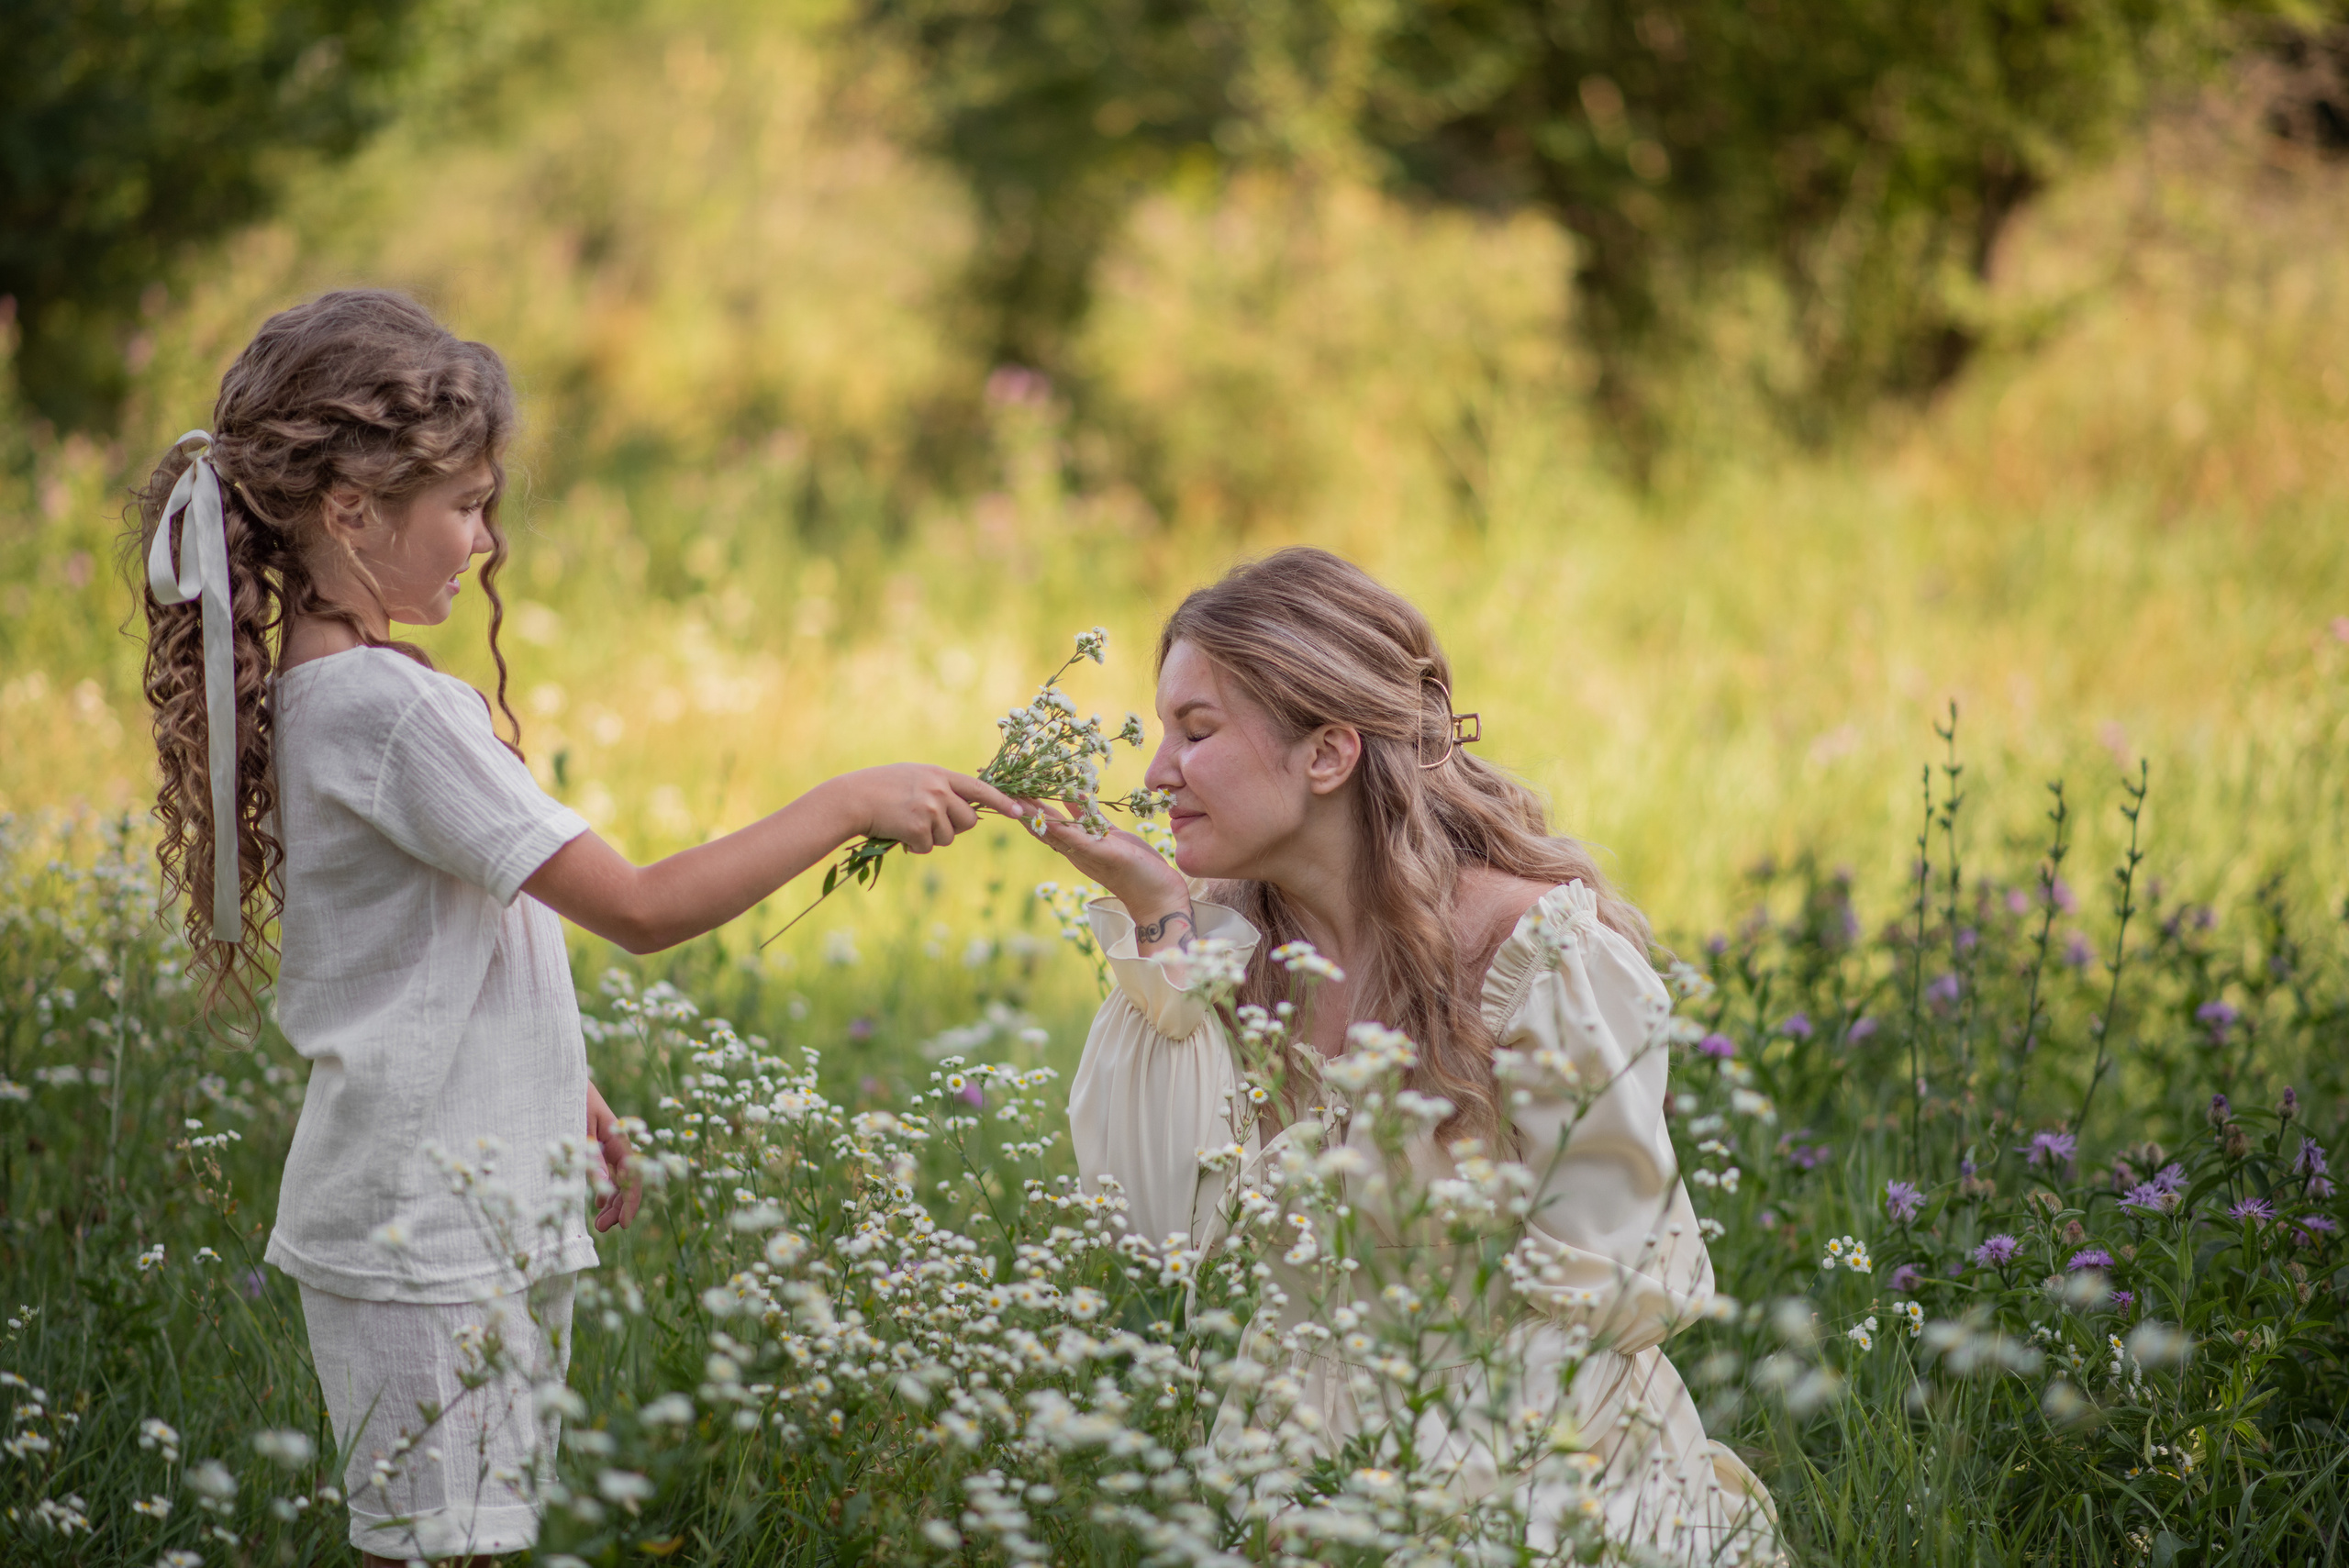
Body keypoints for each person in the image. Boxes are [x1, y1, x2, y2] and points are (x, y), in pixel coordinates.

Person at [131, 289, 1022, 1565]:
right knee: (447, 1550)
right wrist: (844, 801)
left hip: (452, 1192)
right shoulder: (389, 711)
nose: (486, 542)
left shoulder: (340, 690)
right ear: (351, 511)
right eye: (467, 507)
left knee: (467, 1539)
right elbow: (642, 909)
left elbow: (435, 951)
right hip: (424, 1230)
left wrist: (563, 1085)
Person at [1019, 547, 1776, 1562]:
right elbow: (1160, 1229)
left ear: (1327, 753)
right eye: (1161, 732)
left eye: (1195, 732)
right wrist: (1159, 926)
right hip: (1294, 1485)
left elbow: (1610, 1299)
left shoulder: (1535, 957)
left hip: (1546, 1475)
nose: (1155, 773)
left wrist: (1409, 1507)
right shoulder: (1219, 949)